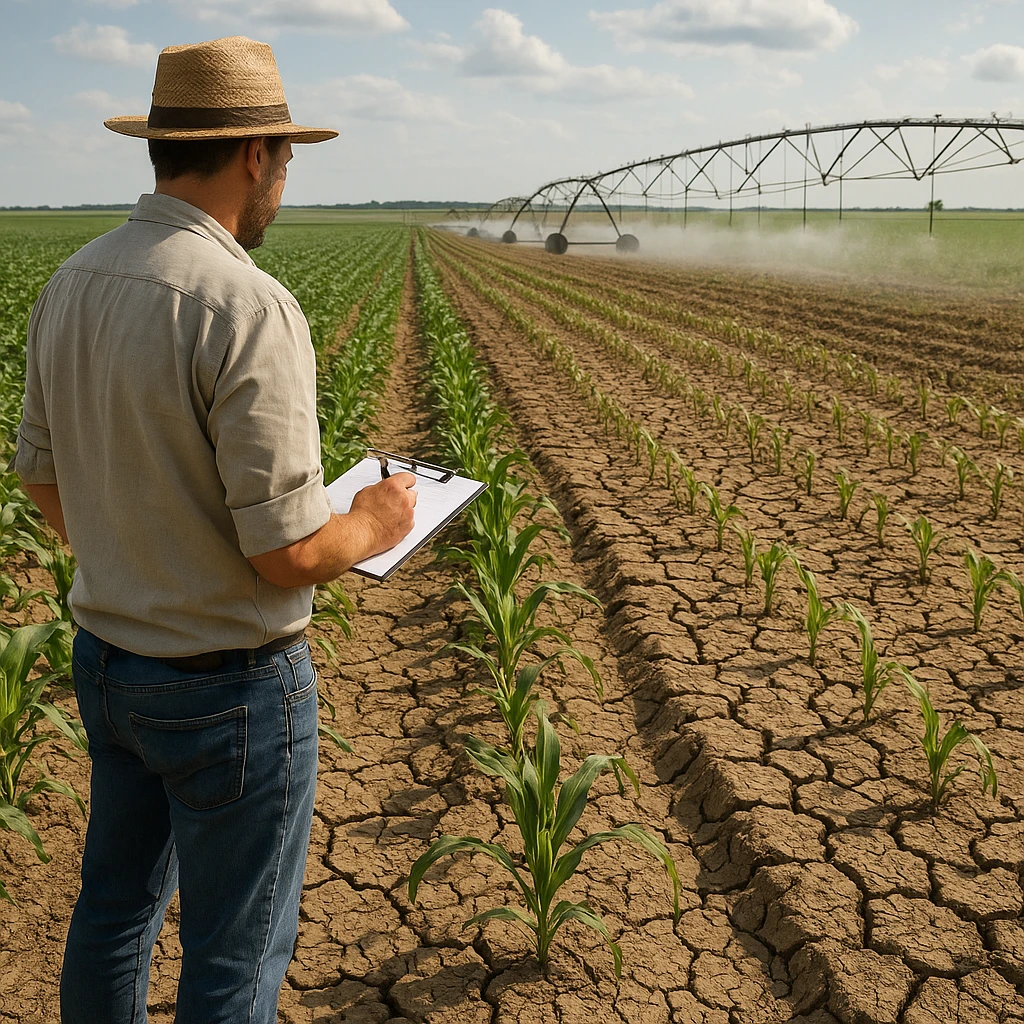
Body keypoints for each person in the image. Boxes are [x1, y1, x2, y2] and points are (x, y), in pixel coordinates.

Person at [11, 35, 417, 1024]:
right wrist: (372, 519)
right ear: (253, 155)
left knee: (112, 913)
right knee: (233, 958)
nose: (283, 179)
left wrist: (133, 558)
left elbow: (38, 474)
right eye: (286, 158)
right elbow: (284, 550)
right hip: (231, 688)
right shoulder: (247, 305)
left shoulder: (73, 282)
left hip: (109, 660)